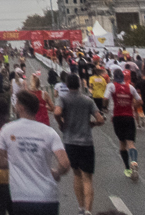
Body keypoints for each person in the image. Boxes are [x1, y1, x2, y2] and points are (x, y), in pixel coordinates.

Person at [0, 91, 70, 215]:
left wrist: (15, 162)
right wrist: (56, 172)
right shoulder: (49, 132)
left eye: (16, 103)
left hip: (21, 197)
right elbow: (65, 163)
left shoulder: (7, 129)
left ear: (21, 107)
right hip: (47, 198)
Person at [55, 71, 102, 215]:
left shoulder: (63, 99)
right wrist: (92, 124)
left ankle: (81, 207)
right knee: (87, 178)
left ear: (67, 85)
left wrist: (61, 123)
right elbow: (100, 119)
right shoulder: (88, 100)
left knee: (76, 175)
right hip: (86, 142)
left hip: (70, 141)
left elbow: (57, 112)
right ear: (80, 85)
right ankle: (88, 210)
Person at [105, 69, 142, 182]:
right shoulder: (130, 87)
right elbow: (140, 101)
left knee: (122, 143)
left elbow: (105, 98)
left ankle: (127, 168)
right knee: (131, 143)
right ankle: (134, 162)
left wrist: (104, 107)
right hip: (129, 117)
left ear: (114, 77)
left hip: (117, 117)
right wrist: (132, 105)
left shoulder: (111, 86)